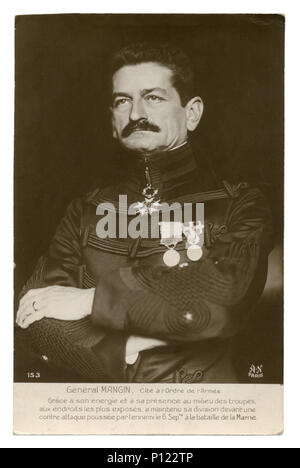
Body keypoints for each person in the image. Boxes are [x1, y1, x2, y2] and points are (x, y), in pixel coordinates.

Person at [15, 43, 273, 383]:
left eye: (153, 97)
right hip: (98, 420)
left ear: (191, 113)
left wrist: (92, 301)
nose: (136, 113)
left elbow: (222, 298)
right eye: (123, 101)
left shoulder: (240, 203)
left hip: (203, 417)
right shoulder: (85, 210)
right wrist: (130, 344)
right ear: (112, 121)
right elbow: (35, 315)